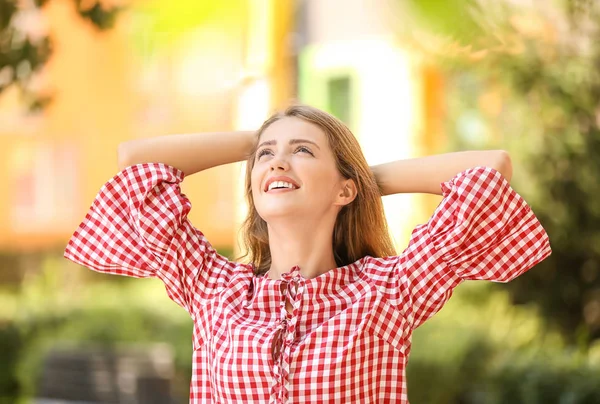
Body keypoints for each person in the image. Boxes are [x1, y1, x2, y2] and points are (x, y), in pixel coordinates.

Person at [64, 104, 551, 403]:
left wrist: (364, 181)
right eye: (266, 156)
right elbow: (136, 163)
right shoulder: (214, 289)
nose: (277, 160)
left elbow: (491, 169)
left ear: (345, 191)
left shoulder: (387, 293)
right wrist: (257, 139)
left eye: (302, 151)